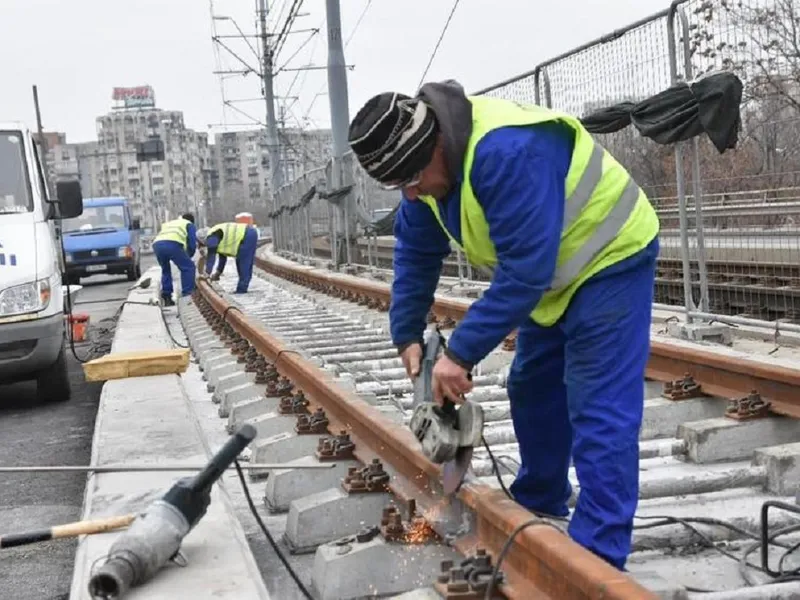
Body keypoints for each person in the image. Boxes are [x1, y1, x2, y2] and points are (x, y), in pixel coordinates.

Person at [347, 80, 660, 571]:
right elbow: (415, 254)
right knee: (532, 385)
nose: (410, 191)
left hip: (610, 257)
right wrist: (407, 333)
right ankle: (541, 497)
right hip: (555, 276)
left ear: (434, 146)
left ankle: (598, 553)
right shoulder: (425, 173)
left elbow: (525, 273)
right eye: (398, 184)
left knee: (597, 405)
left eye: (412, 177)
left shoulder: (508, 153)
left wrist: (460, 354)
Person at [152, 212, 197, 306]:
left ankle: (167, 295)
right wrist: (189, 256)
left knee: (166, 270)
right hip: (172, 244)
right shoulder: (189, 224)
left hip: (157, 244)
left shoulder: (171, 223)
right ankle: (187, 295)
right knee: (188, 267)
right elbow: (192, 244)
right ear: (192, 221)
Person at [204, 221, 258, 293]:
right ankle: (242, 288)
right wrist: (218, 273)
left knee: (243, 263)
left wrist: (207, 273)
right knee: (243, 262)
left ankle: (241, 290)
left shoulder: (211, 237)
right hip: (248, 233)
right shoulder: (215, 235)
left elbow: (211, 256)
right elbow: (222, 258)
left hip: (246, 235)